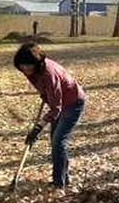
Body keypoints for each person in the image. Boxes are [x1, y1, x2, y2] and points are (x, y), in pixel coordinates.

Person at [14, 42, 85, 195]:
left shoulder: (48, 74)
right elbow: (47, 94)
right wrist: (45, 95)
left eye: (28, 66)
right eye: (22, 66)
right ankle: (64, 178)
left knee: (58, 142)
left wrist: (38, 127)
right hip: (59, 102)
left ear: (37, 63)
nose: (25, 70)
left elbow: (56, 108)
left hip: (73, 103)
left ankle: (59, 184)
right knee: (56, 140)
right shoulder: (32, 70)